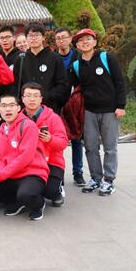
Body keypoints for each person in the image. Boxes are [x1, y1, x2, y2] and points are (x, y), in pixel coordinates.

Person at [70, 28, 126, 196]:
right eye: (81, 40)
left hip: (110, 110)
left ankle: (108, 180)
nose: (85, 42)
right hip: (89, 111)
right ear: (77, 45)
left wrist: (121, 106)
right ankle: (95, 178)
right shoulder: (77, 65)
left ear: (94, 41)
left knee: (110, 147)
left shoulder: (106, 58)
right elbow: (75, 88)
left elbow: (120, 82)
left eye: (88, 39)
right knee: (90, 146)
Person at [0, 95, 50, 221]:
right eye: (4, 106)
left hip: (31, 173)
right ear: (0, 110)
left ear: (18, 108)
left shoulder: (28, 126)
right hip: (12, 175)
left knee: (26, 194)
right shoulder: (0, 132)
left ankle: (38, 204)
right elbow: (0, 160)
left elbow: (24, 158)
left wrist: (0, 175)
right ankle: (19, 202)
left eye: (11, 105)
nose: (8, 109)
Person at [21, 82, 68, 207]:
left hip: (51, 162)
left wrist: (50, 139)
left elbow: (63, 143)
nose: (32, 99)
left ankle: (57, 191)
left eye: (36, 96)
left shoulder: (53, 118)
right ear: (22, 99)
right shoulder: (18, 119)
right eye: (28, 96)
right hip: (28, 163)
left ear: (41, 98)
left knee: (50, 191)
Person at [12, 22, 69, 113]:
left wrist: (45, 96)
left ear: (43, 37)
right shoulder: (21, 59)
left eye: (37, 35)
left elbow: (62, 85)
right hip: (26, 110)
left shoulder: (55, 58)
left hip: (50, 108)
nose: (33, 38)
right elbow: (16, 86)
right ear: (26, 38)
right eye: (30, 35)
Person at [54, 27, 85, 186]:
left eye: (64, 37)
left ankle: (78, 172)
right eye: (58, 38)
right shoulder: (52, 57)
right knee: (57, 140)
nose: (61, 41)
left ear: (70, 38)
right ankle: (58, 173)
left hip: (74, 104)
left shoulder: (79, 57)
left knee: (77, 139)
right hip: (57, 103)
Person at [0, 25, 21, 96]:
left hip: (15, 96)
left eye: (7, 37)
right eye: (2, 38)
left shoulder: (21, 56)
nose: (4, 40)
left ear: (14, 38)